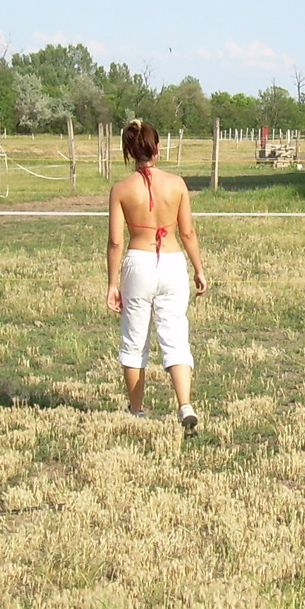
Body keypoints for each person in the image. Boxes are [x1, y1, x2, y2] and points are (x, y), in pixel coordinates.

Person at [105, 118, 208, 434]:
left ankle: (136, 410)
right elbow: (187, 232)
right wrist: (199, 269)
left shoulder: (121, 190)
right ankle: (185, 405)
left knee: (135, 339)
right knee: (175, 334)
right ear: (157, 147)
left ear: (129, 151)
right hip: (173, 262)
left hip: (139, 261)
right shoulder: (177, 184)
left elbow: (115, 241)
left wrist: (111, 282)